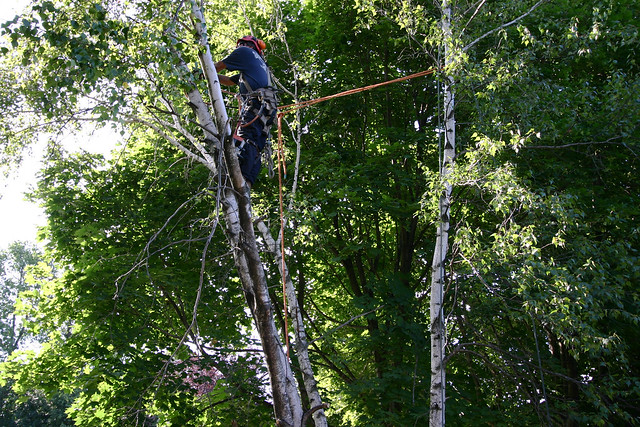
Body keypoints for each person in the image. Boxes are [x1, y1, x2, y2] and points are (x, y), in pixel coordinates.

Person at [214, 36, 277, 188]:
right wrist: (209, 76)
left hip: (255, 108)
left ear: (245, 45)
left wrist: (201, 72)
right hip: (264, 115)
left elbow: (214, 67)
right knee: (255, 147)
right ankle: (245, 186)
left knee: (245, 141)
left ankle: (235, 180)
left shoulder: (245, 52)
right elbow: (229, 80)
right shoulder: (259, 65)